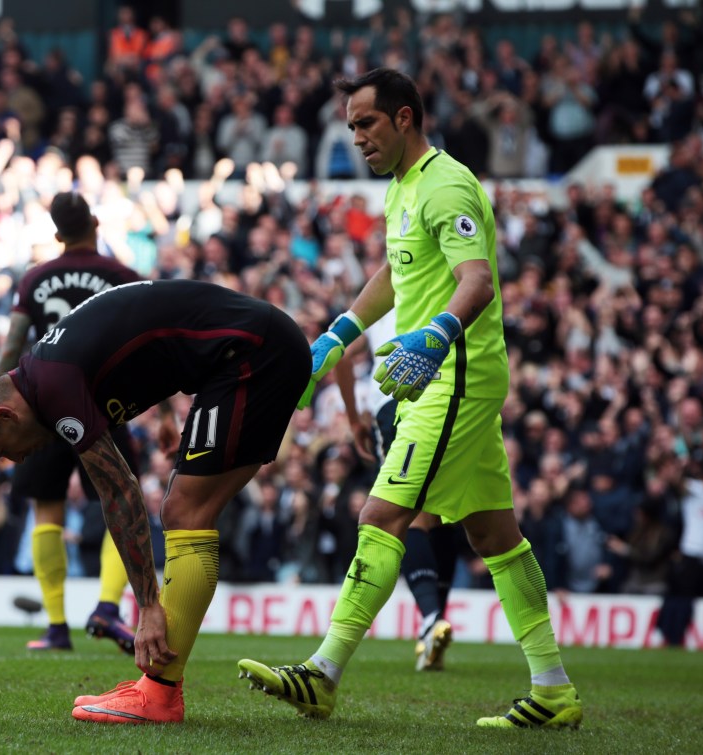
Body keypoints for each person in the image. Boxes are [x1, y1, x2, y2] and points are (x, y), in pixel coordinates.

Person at [237, 68, 582, 729]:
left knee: (381, 512)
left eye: (366, 123)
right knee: (494, 534)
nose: (356, 137)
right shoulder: (403, 188)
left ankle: (323, 672)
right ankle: (553, 684)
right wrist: (337, 334)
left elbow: (476, 280)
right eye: (350, 127)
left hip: (451, 375)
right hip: (440, 374)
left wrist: (436, 336)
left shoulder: (446, 182)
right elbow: (397, 272)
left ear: (404, 118)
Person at [0, 278, 310, 725]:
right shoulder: (47, 373)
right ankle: (157, 688)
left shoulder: (54, 385)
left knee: (184, 512)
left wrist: (149, 607)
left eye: (4, 450)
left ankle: (158, 695)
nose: (17, 459)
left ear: (4, 415)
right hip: (249, 351)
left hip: (253, 354)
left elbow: (119, 491)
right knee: (189, 510)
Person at [0, 191, 142, 653]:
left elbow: (13, 344)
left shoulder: (36, 278)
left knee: (47, 511)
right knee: (119, 500)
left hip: (43, 407)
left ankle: (56, 626)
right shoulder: (122, 278)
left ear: (57, 234)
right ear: (96, 223)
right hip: (105, 404)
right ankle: (107, 608)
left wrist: (0, 400)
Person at [334, 309, 460, 671]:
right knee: (448, 513)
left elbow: (340, 352)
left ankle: (431, 619)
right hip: (456, 398)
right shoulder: (454, 289)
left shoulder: (383, 300)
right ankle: (434, 627)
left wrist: (354, 417)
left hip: (399, 403)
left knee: (399, 515)